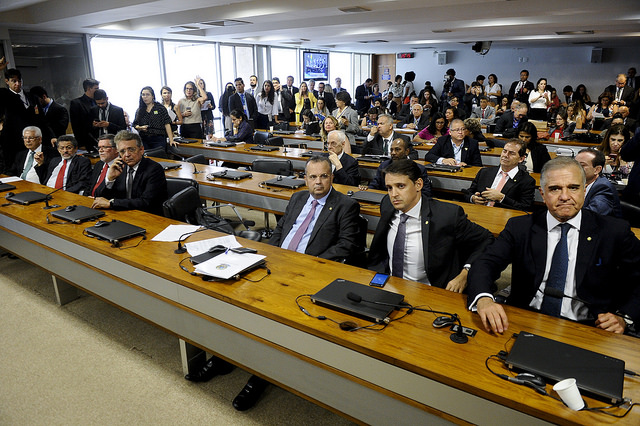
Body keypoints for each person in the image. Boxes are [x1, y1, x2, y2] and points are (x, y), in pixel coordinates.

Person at [467, 157, 640, 335]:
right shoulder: (520, 227)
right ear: (542, 194)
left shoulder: (614, 231)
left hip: (591, 328)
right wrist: (484, 299)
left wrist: (624, 317)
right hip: (525, 320)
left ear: (584, 190)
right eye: (555, 189)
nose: (565, 197)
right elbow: (486, 263)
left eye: (573, 188)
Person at [368, 158, 492, 291]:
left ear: (418, 184)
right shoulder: (387, 204)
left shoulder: (447, 214)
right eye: (389, 188)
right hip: (389, 285)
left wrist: (465, 274)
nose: (394, 194)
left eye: (401, 186)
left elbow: (487, 240)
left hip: (430, 289)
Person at [270, 155, 360, 259]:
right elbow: (280, 228)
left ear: (331, 178)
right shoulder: (297, 197)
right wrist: (272, 252)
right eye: (313, 177)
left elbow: (346, 245)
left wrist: (315, 262)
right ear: (306, 180)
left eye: (324, 176)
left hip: (311, 264)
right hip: (279, 257)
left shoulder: (346, 205)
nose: (318, 182)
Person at [91, 130, 168, 216]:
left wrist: (112, 203)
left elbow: (146, 202)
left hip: (147, 216)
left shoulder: (154, 169)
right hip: (122, 214)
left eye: (131, 149)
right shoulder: (119, 166)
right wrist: (109, 180)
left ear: (141, 150)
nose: (127, 154)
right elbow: (98, 196)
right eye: (122, 151)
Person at [463, 139, 535, 211]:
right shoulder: (484, 172)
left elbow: (526, 208)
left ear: (521, 159)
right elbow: (467, 193)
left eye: (511, 153)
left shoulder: (527, 181)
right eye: (504, 151)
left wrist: (502, 198)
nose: (506, 155)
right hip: (479, 212)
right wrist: (473, 198)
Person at [363, 138, 431, 197]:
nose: (393, 153)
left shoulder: (419, 169)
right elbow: (374, 185)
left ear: (407, 152)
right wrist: (366, 190)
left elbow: (426, 193)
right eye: (391, 150)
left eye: (397, 150)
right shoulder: (384, 166)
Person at [575, 148, 622, 218]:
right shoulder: (579, 183)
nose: (575, 168)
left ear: (597, 170)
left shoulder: (603, 188)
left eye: (582, 165)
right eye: (575, 164)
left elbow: (591, 216)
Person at [132, 86, 176, 151]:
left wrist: (171, 140)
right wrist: (140, 128)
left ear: (152, 96)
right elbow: (135, 124)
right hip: (144, 139)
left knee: (158, 157)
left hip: (158, 138)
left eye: (147, 94)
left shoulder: (160, 108)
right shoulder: (140, 110)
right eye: (143, 95)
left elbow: (167, 124)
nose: (145, 97)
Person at [70, 78, 100, 152]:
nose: (98, 91)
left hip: (101, 138)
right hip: (87, 140)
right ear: (89, 88)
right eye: (96, 88)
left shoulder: (99, 101)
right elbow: (76, 125)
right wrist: (81, 143)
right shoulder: (77, 103)